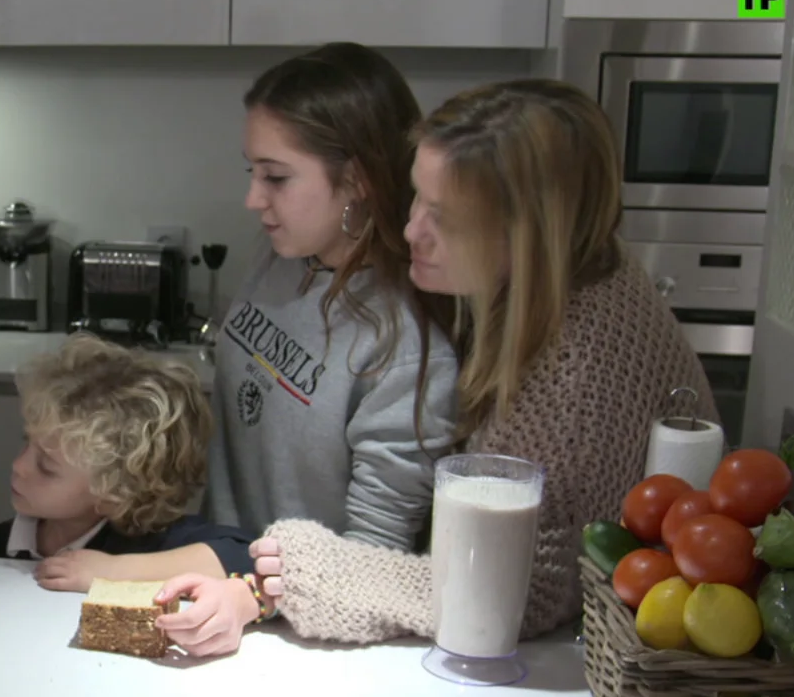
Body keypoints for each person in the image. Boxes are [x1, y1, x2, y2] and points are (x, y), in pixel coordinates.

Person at [156, 79, 717, 657]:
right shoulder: (582, 266)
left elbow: (512, 591)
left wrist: (283, 579)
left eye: (443, 217)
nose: (410, 230)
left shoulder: (571, 371)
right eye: (416, 198)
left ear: (525, 232)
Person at [207, 44, 461, 547]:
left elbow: (371, 554)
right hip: (218, 573)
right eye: (252, 172)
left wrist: (248, 589)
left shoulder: (404, 350)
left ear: (357, 179)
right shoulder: (279, 252)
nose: (254, 199)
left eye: (276, 177)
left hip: (295, 613)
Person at [0, 335, 252, 590]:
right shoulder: (5, 541)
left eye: (47, 467)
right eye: (28, 443)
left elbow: (246, 559)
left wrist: (114, 572)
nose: (19, 466)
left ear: (114, 494)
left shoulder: (152, 543)